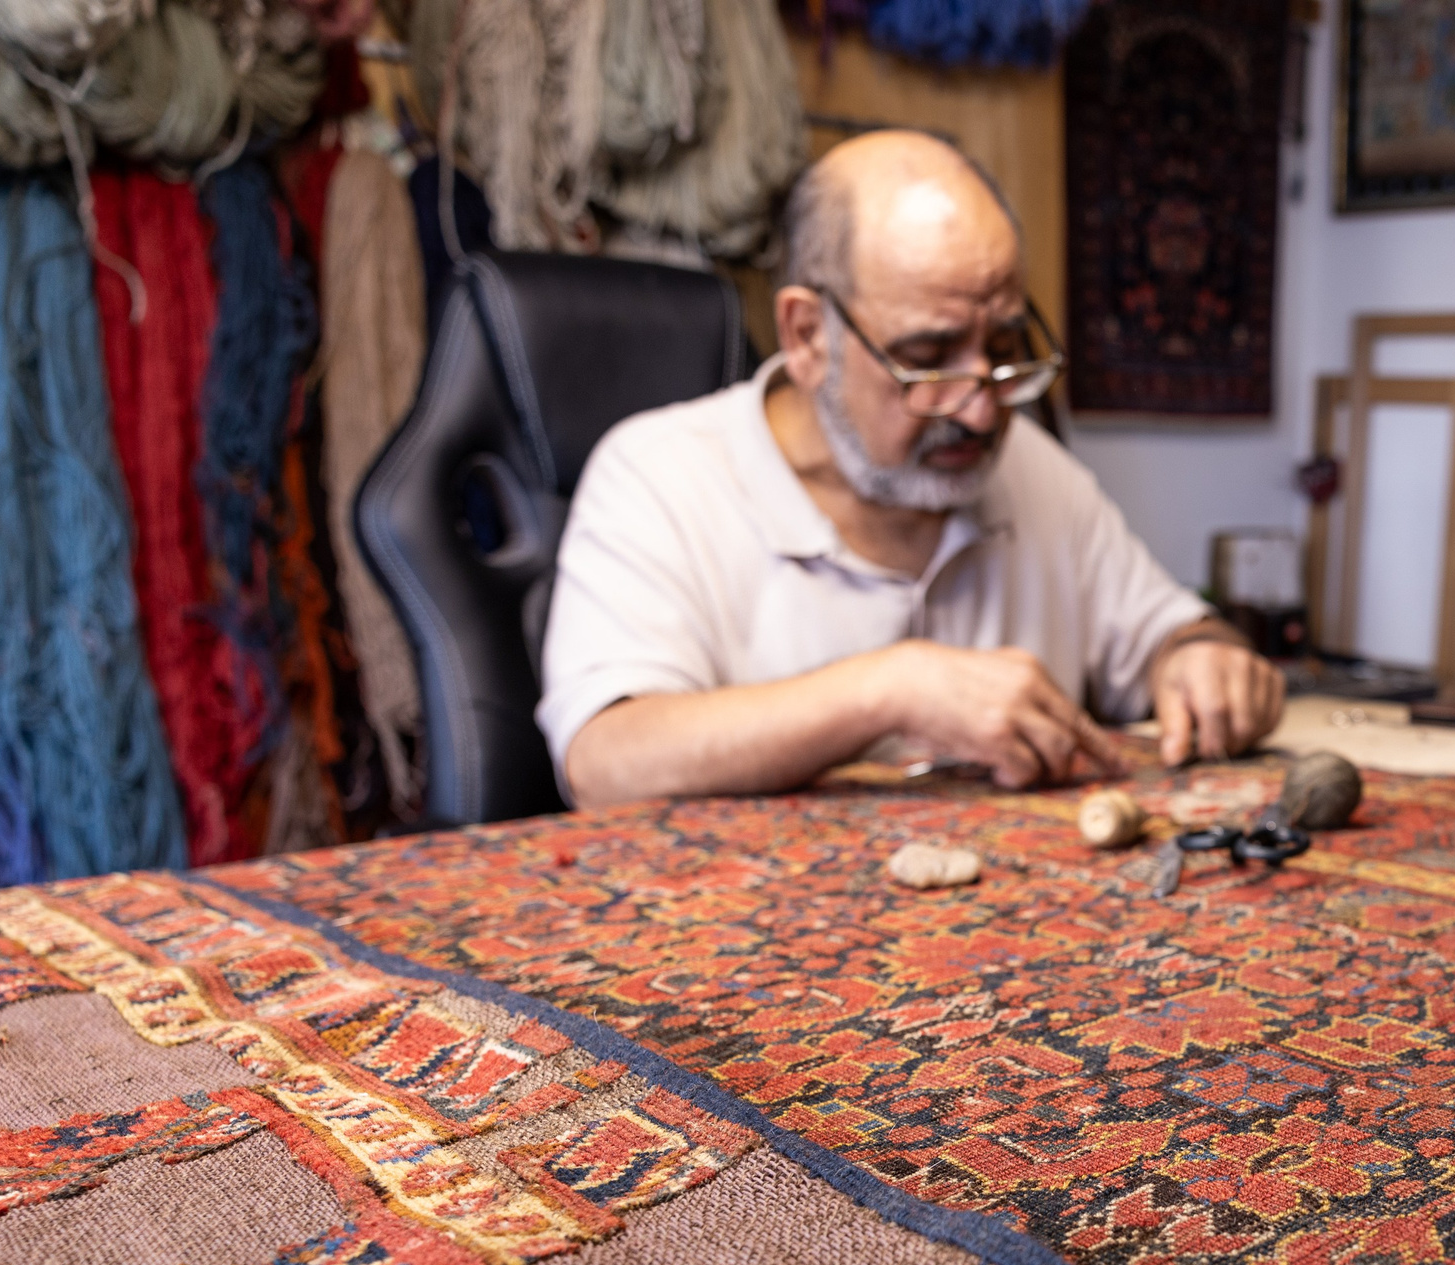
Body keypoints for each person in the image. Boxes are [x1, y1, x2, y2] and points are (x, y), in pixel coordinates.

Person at [540, 129, 1285, 808]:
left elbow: (1169, 634)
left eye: (1003, 344)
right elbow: (604, 762)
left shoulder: (1031, 469)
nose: (982, 409)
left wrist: (1202, 660)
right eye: (926, 359)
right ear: (807, 336)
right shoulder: (659, 474)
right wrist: (891, 688)